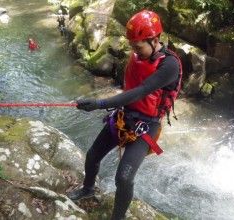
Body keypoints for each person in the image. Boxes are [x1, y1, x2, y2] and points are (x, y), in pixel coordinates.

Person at [67, 10, 183, 220]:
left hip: (146, 126)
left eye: (138, 46)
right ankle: (88, 188)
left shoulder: (170, 65)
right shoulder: (138, 54)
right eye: (132, 46)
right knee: (93, 155)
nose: (134, 51)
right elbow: (128, 87)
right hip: (124, 117)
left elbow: (140, 91)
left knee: (124, 178)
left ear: (155, 40)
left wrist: (99, 103)